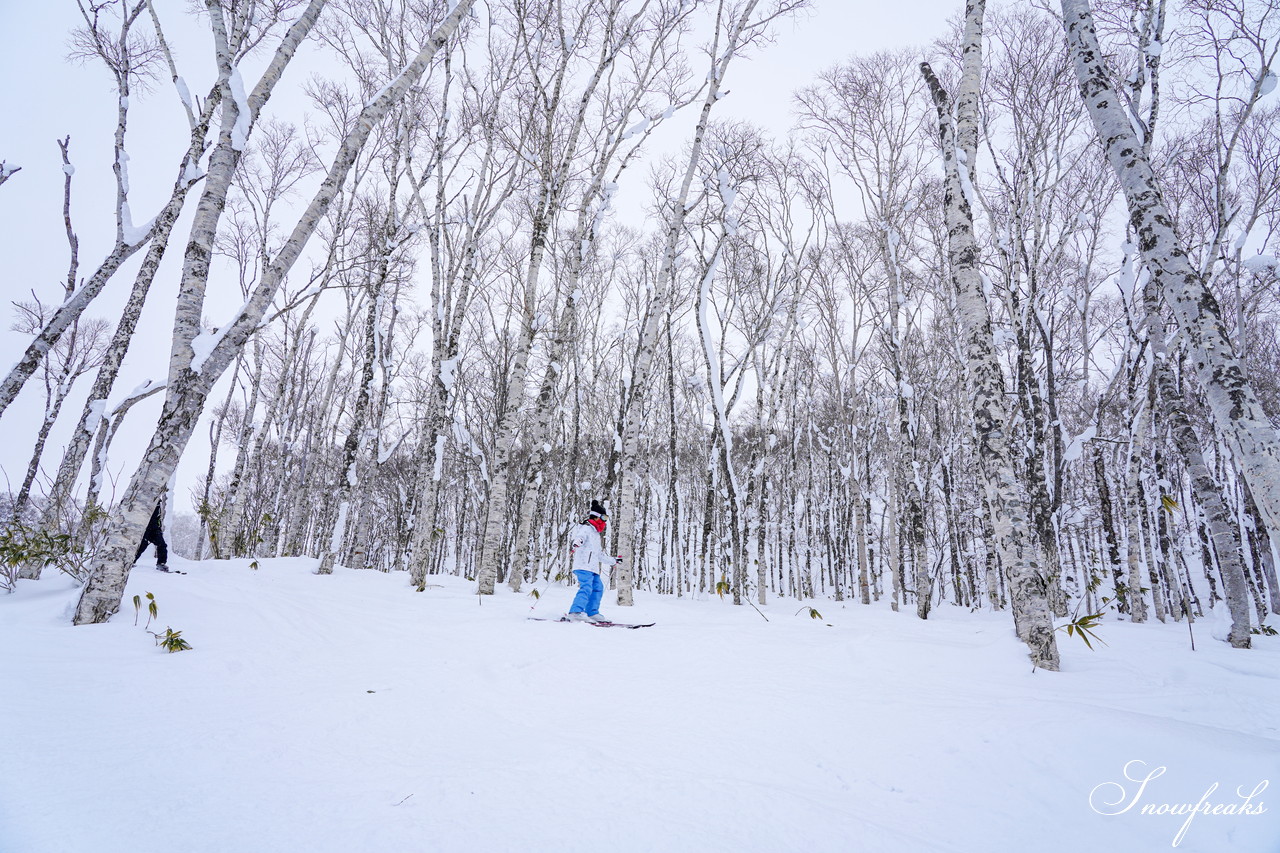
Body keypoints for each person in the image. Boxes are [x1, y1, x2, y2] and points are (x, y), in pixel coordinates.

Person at [565, 500, 618, 623]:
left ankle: (592, 612)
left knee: (598, 588)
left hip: (593, 568)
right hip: (583, 566)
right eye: (604, 517)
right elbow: (580, 537)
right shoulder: (586, 528)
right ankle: (575, 612)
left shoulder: (596, 533)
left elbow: (599, 555)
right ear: (597, 516)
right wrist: (577, 542)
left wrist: (613, 561)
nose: (605, 521)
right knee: (586, 587)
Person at [135, 503, 170, 572]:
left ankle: (161, 563)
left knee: (162, 545)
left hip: (155, 529)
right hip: (145, 528)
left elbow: (158, 517)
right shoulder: (147, 500)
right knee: (141, 546)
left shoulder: (158, 503)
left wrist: (159, 528)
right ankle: (131, 561)